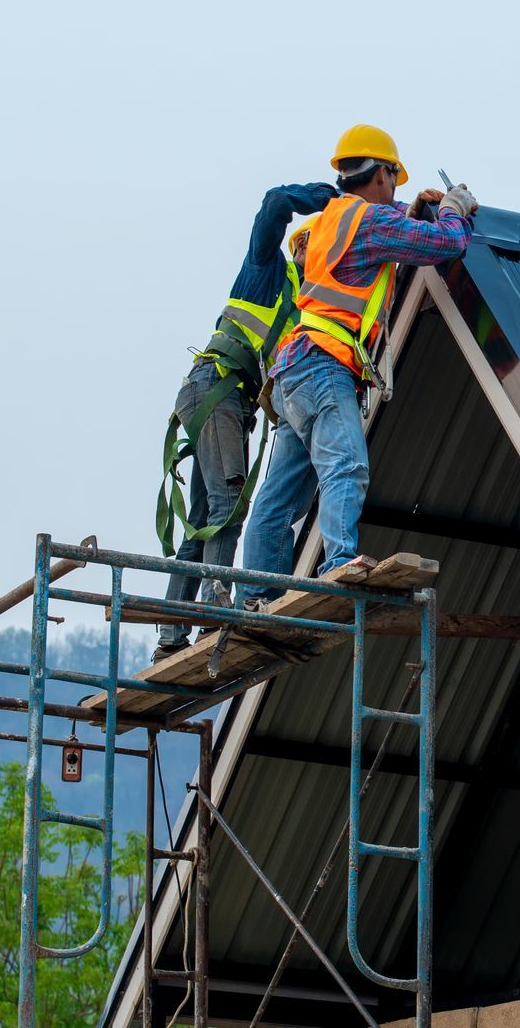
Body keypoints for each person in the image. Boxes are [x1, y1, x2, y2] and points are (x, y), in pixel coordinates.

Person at [236, 124, 478, 604]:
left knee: (279, 497)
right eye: (395, 177)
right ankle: (339, 560)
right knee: (345, 463)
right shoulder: (368, 221)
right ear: (381, 173)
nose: (397, 186)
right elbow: (446, 245)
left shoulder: (331, 217)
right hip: (324, 365)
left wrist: (408, 214)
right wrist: (452, 212)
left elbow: (372, 252)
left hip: (294, 369)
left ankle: (256, 596)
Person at [154, 179, 336, 662]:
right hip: (215, 390)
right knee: (228, 509)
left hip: (221, 401)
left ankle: (171, 638)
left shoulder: (308, 315)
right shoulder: (266, 270)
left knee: (205, 520)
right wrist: (333, 199)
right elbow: (275, 203)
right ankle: (216, 619)